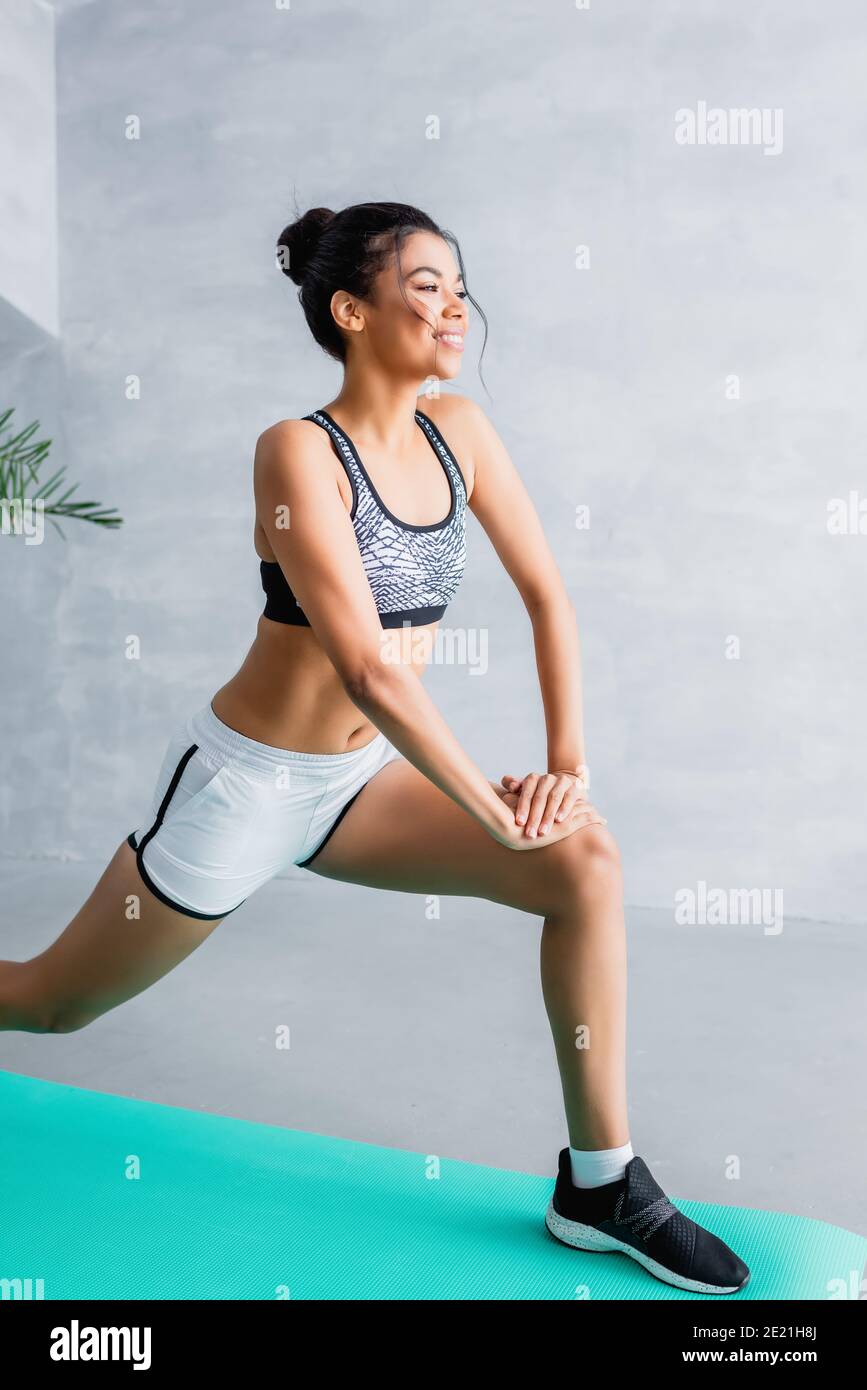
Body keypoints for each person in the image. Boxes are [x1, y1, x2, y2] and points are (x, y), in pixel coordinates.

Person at [0, 201, 749, 1295]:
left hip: (358, 785)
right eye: (425, 285)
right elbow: (365, 666)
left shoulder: (465, 434)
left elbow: (548, 597)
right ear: (352, 310)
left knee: (583, 862)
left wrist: (565, 773)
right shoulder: (297, 452)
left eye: (458, 283)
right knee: (51, 1005)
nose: (454, 306)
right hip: (245, 788)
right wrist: (494, 808)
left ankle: (600, 1183)